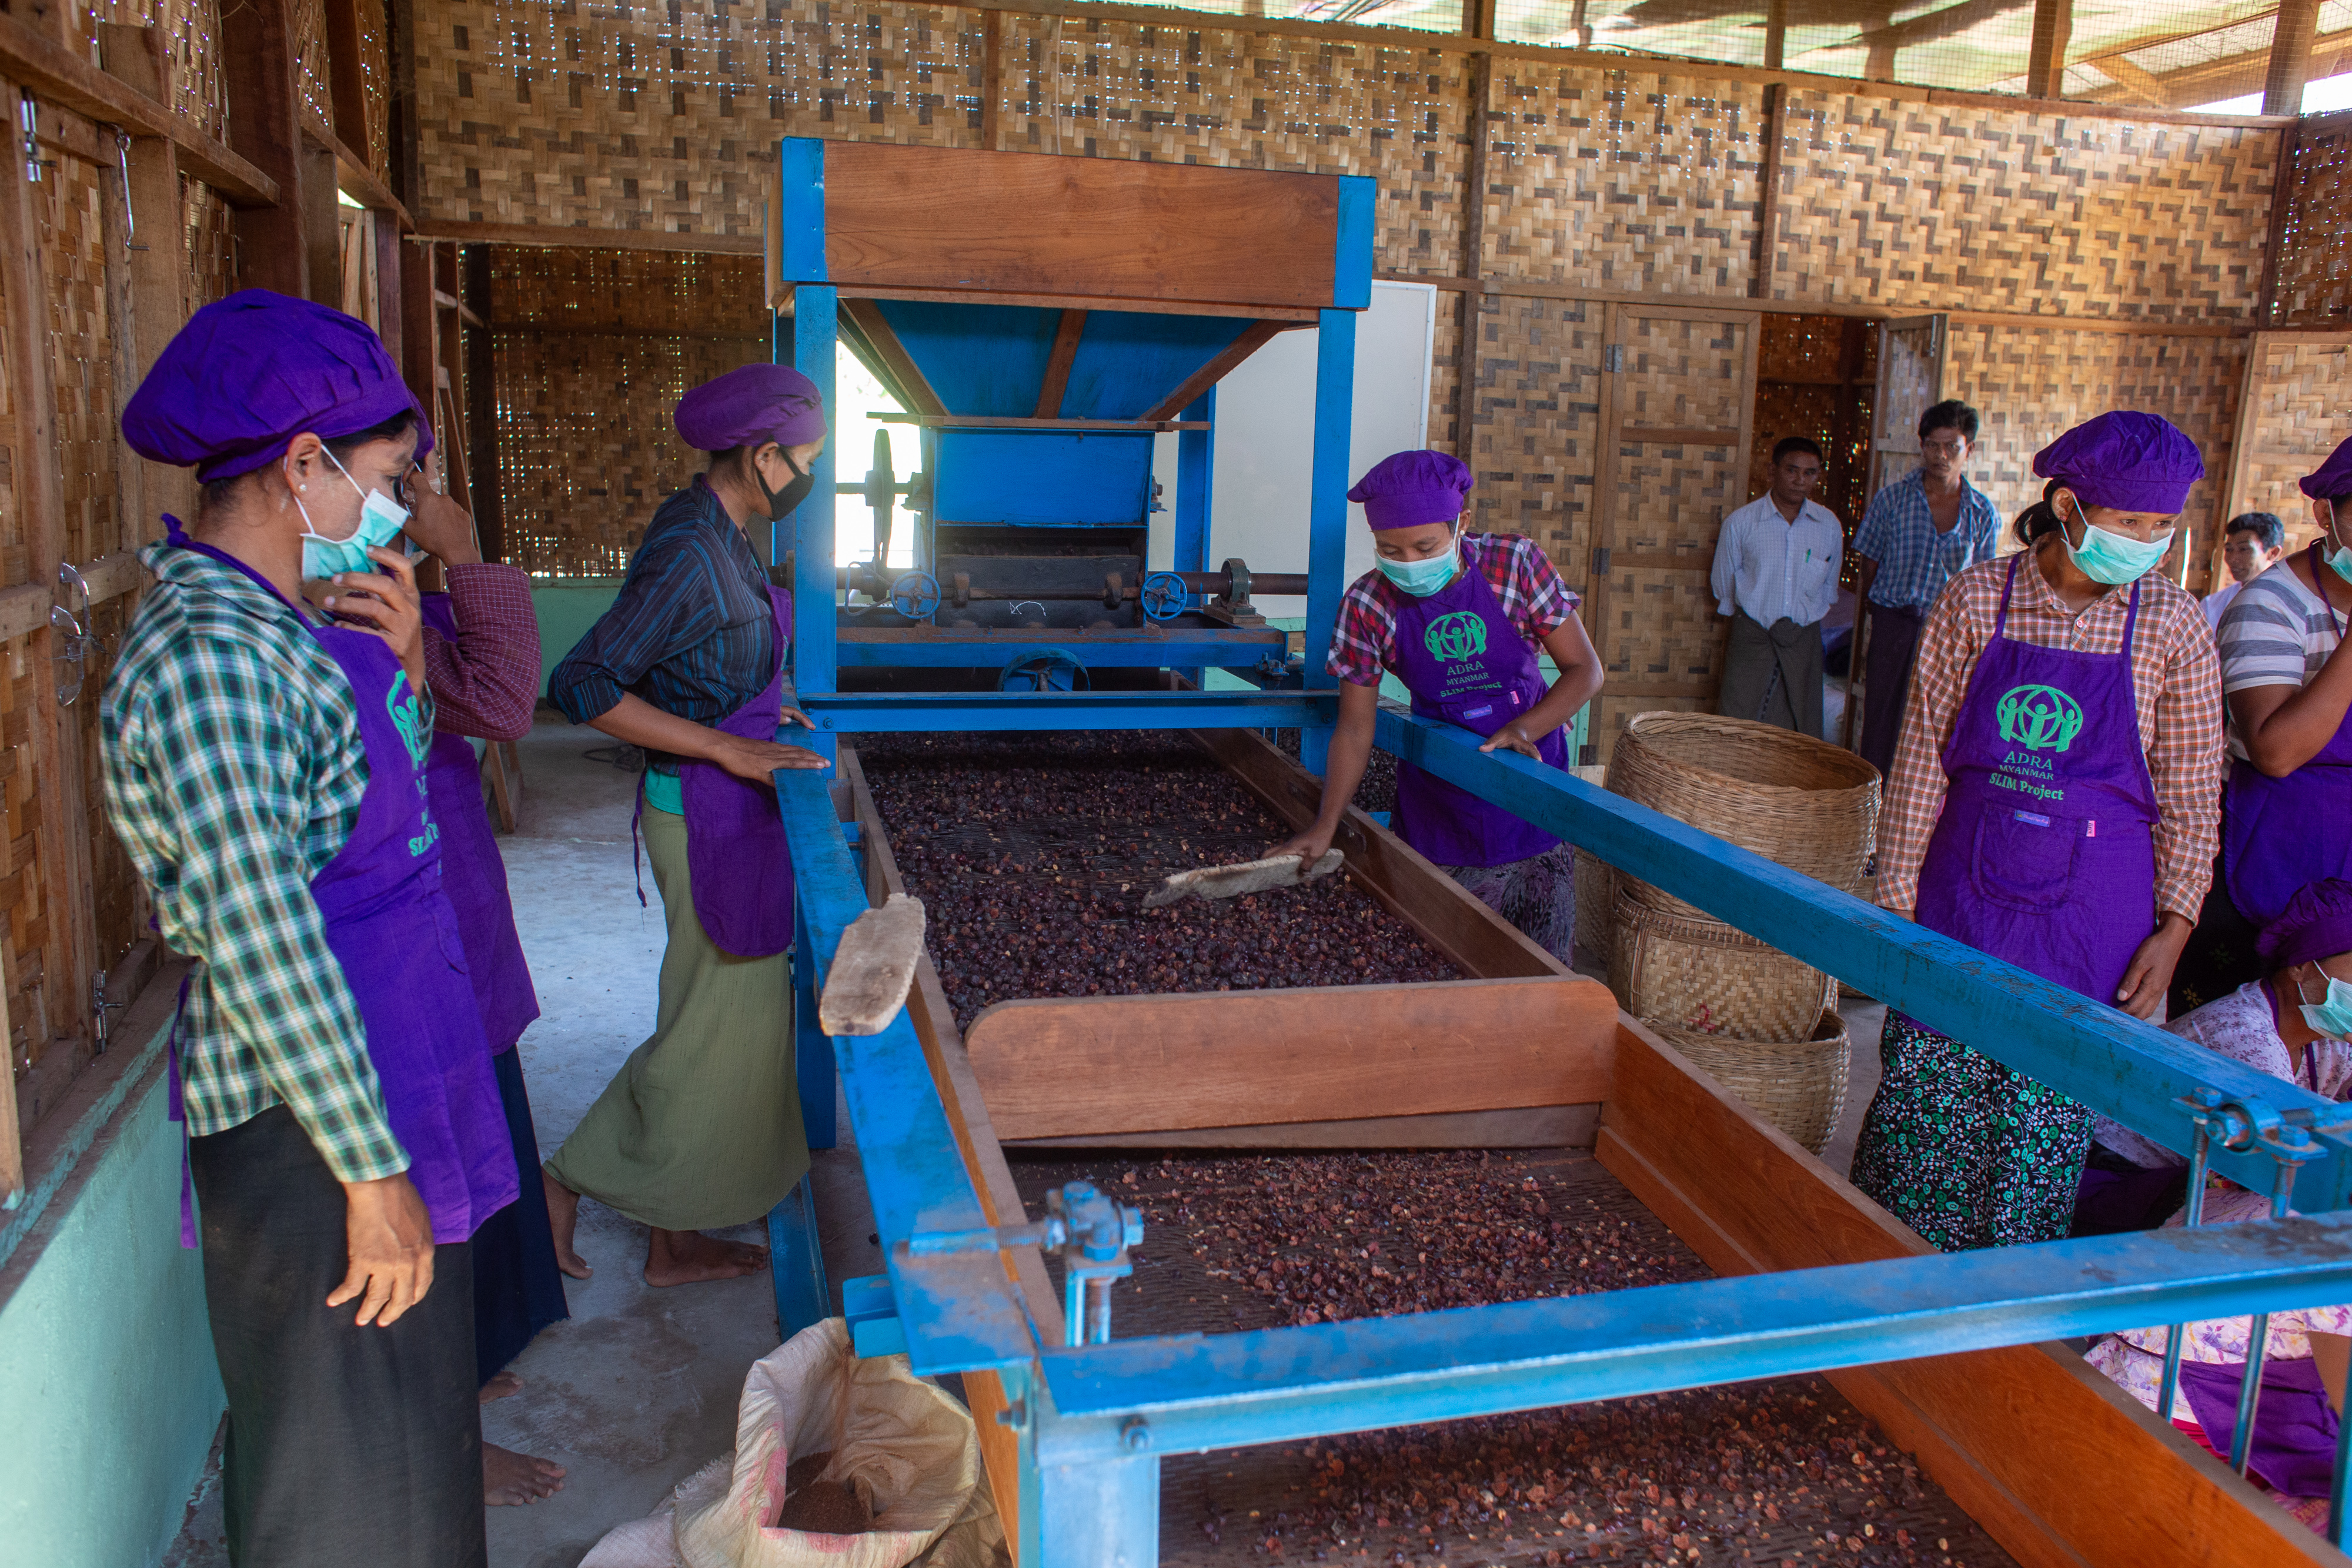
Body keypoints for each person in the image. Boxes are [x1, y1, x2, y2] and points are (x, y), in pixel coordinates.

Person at [107, 290, 515, 1566]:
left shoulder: (282, 634)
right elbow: (264, 935)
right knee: (346, 1483)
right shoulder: (211, 658)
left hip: (373, 1081)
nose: (385, 508)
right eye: (382, 477)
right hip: (313, 1130)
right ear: (302, 468)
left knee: (405, 1447)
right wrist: (372, 1174)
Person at [1850, 411, 2225, 1252]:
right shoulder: (1978, 598)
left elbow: (2195, 796)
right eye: (2132, 523)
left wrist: (2177, 924)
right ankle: (1893, 1295)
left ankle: (2001, 1338)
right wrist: (1898, 905)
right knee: (1927, 1108)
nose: (2149, 542)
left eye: (2163, 526)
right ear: (2067, 504)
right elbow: (1920, 764)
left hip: (2093, 926)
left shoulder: (2172, 624)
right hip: (1964, 903)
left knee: (2040, 1135)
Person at [542, 363, 830, 1288]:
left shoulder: (726, 533)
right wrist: (724, 746)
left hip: (728, 800)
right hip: (700, 813)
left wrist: (761, 708)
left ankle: (677, 1236)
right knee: (705, 1031)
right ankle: (569, 1178)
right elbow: (583, 684)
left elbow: (707, 656)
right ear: (763, 455)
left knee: (725, 1026)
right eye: (808, 461)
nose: (812, 477)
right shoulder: (691, 551)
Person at [390, 491, 570, 1505]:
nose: (414, 501)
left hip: (450, 895)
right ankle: (440, 1424)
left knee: (484, 1123)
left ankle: (466, 1363)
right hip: (398, 938)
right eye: (396, 475)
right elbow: (507, 704)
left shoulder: (380, 599)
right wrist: (461, 553)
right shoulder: (325, 621)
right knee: (425, 1176)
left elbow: (486, 697)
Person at [2082, 881, 2352, 1533]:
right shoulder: (2245, 1042)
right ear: (2304, 966)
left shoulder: (2322, 1041)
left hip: (2195, 1219)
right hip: (2116, 1191)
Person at [1270, 450, 1603, 967]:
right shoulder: (1367, 605)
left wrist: (1526, 728)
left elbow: (1586, 669)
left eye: (1425, 547)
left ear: (1461, 523)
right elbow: (1356, 729)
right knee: (1445, 965)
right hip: (1441, 806)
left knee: (1544, 972)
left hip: (1534, 787)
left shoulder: (1515, 564)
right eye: (1390, 550)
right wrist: (1326, 823)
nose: (1408, 564)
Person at [2170, 437, 2352, 1017]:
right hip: (2271, 856)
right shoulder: (2271, 604)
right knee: (2237, 1036)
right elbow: (2273, 751)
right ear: (2326, 515)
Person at [1849, 400, 2004, 780]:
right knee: (1882, 714)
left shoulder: (1982, 512)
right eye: (1933, 445)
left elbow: (1983, 581)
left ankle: (1917, 797)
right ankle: (1872, 795)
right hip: (1895, 622)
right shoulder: (1893, 500)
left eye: (1952, 446)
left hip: (1949, 632)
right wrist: (1879, 611)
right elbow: (1869, 563)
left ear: (1970, 449)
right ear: (1922, 446)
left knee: (1934, 718)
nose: (1941, 455)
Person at [1710, 436, 1845, 737]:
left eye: (1809, 473)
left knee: (1798, 728)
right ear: (1772, 472)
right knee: (1738, 722)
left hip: (1803, 641)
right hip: (1752, 638)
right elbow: (1724, 588)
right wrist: (1758, 620)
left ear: (1817, 476)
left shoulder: (1829, 526)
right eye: (1792, 470)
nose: (1800, 480)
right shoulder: (1741, 523)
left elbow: (1828, 589)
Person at [2204, 510, 2287, 631]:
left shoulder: (2292, 602)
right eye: (2229, 550)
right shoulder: (2212, 606)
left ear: (2273, 553)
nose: (2233, 559)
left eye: (2244, 549)